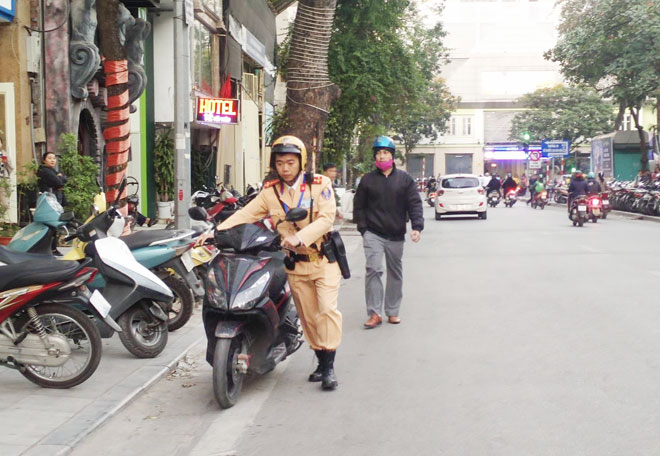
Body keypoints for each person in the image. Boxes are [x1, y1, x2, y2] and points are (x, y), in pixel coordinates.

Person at [200, 135, 342, 391]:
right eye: (280, 163)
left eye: (290, 162)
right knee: (309, 317)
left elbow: (326, 219)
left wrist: (299, 238)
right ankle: (320, 362)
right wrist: (216, 231)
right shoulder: (271, 191)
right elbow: (247, 213)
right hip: (295, 264)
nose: (285, 168)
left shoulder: (320, 184)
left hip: (322, 259)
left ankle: (329, 368)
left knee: (327, 310)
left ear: (301, 162)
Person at [353, 135, 423, 329]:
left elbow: (414, 204)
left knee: (395, 272)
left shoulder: (405, 180)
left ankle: (392, 311)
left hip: (396, 235)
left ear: (392, 155)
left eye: (385, 153)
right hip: (373, 233)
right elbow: (359, 206)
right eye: (378, 153)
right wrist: (364, 229)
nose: (382, 157)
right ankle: (374, 313)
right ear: (375, 157)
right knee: (373, 269)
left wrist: (417, 227)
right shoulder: (367, 180)